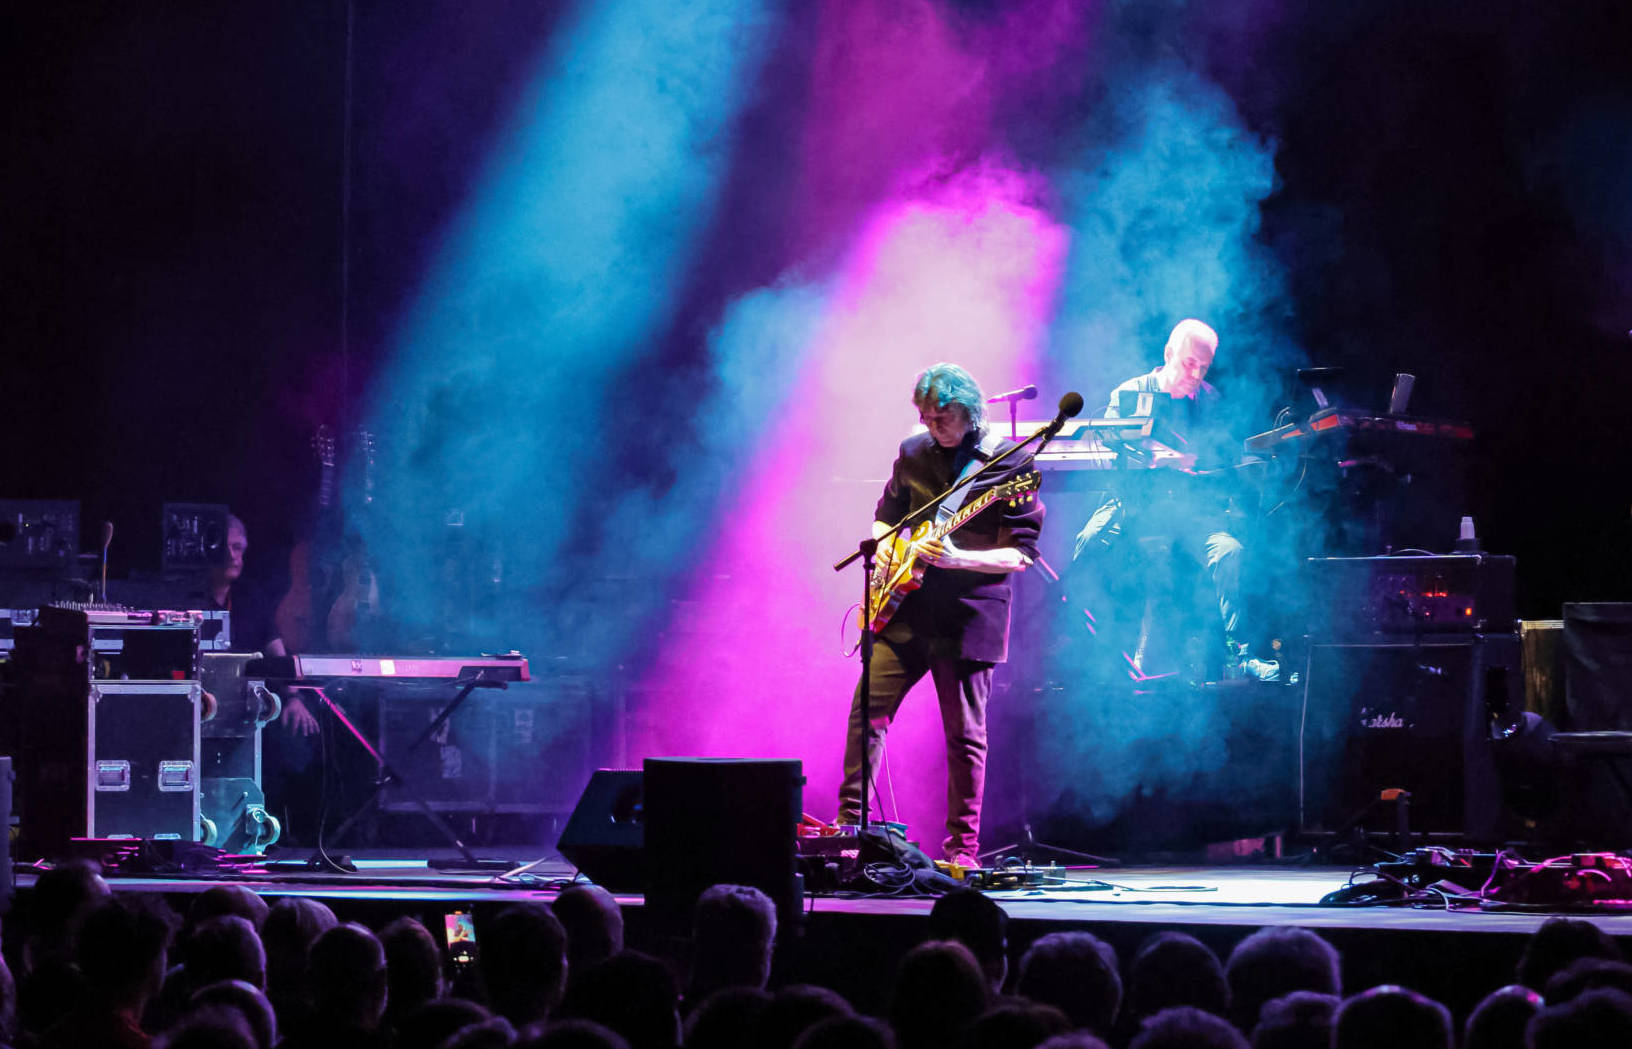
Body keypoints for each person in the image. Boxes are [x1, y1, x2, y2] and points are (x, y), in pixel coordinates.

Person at [837, 363, 1045, 868]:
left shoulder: (1010, 464)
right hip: (905, 608)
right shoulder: (913, 451)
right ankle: (849, 833)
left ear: (969, 412)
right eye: (925, 417)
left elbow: (1021, 555)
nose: (932, 426)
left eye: (941, 417)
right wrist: (888, 552)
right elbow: (886, 515)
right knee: (866, 714)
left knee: (964, 737)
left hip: (969, 617)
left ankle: (961, 852)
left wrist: (958, 558)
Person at [1071, 319, 1276, 682]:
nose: (1195, 375)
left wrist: (1216, 468)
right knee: (1089, 542)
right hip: (1134, 503)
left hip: (1189, 509)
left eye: (1204, 367)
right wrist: (1155, 456)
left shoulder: (1211, 399)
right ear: (1168, 354)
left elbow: (1223, 453)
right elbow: (1108, 440)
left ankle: (1240, 655)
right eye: (1188, 363)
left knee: (1229, 552)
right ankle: (1085, 652)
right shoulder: (1130, 393)